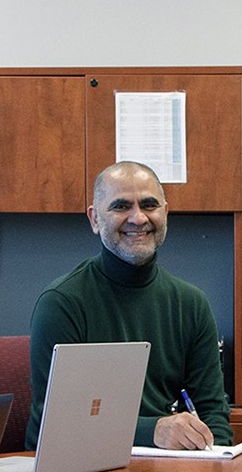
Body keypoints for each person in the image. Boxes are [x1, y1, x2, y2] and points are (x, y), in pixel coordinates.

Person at [27, 161, 231, 449]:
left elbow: (213, 414)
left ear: (166, 213)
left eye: (149, 205)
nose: (138, 218)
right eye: (121, 206)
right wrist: (153, 432)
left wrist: (215, 463)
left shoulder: (191, 304)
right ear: (95, 219)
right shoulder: (62, 304)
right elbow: (56, 426)